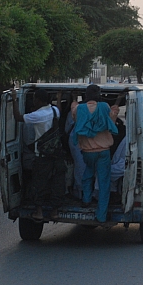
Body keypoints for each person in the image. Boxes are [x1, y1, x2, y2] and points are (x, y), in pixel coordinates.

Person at [12, 89, 65, 221]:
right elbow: (59, 108)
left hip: (42, 156)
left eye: (35, 98)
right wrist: (58, 97)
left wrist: (14, 100)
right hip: (57, 155)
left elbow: (18, 117)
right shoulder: (54, 111)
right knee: (57, 183)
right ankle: (55, 211)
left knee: (39, 183)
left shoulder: (37, 115)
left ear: (39, 100)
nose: (34, 101)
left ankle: (39, 211)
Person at [71, 84, 118, 223]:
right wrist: (117, 103)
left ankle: (86, 199)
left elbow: (74, 111)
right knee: (104, 182)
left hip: (87, 152)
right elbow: (112, 118)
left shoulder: (79, 109)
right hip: (103, 152)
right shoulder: (104, 107)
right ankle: (101, 215)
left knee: (88, 174)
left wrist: (74, 98)